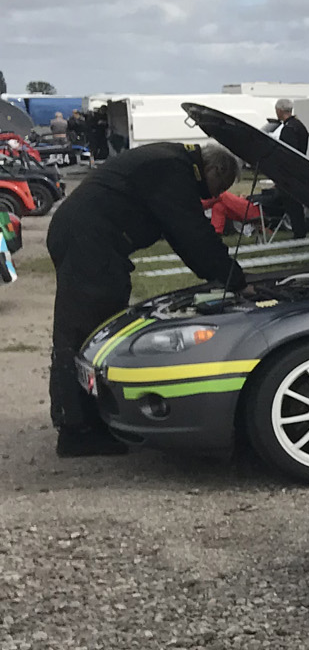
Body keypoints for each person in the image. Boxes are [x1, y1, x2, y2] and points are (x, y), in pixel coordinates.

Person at [47, 141, 250, 457]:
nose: (210, 197)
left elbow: (182, 233)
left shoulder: (169, 160)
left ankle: (86, 419)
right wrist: (235, 280)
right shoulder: (172, 170)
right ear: (214, 170)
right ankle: (78, 430)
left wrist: (223, 273)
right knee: (88, 332)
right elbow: (191, 234)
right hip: (88, 241)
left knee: (92, 326)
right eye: (217, 189)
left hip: (84, 235)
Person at [263, 99, 309, 238]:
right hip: (298, 169)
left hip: (290, 173)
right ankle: (300, 230)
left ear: (279, 110)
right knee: (294, 203)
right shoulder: (300, 126)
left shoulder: (288, 129)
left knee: (291, 203)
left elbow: (287, 154)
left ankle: (299, 232)